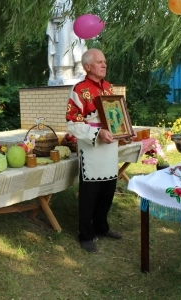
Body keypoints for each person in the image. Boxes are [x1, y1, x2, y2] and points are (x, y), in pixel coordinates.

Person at [65, 48, 122, 253]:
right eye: (99, 62)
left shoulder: (109, 88)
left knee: (107, 192)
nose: (104, 65)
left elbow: (117, 117)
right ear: (87, 66)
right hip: (92, 149)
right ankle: (86, 234)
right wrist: (97, 135)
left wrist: (125, 131)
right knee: (89, 195)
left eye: (105, 61)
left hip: (110, 147)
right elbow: (72, 124)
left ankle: (102, 227)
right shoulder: (79, 90)